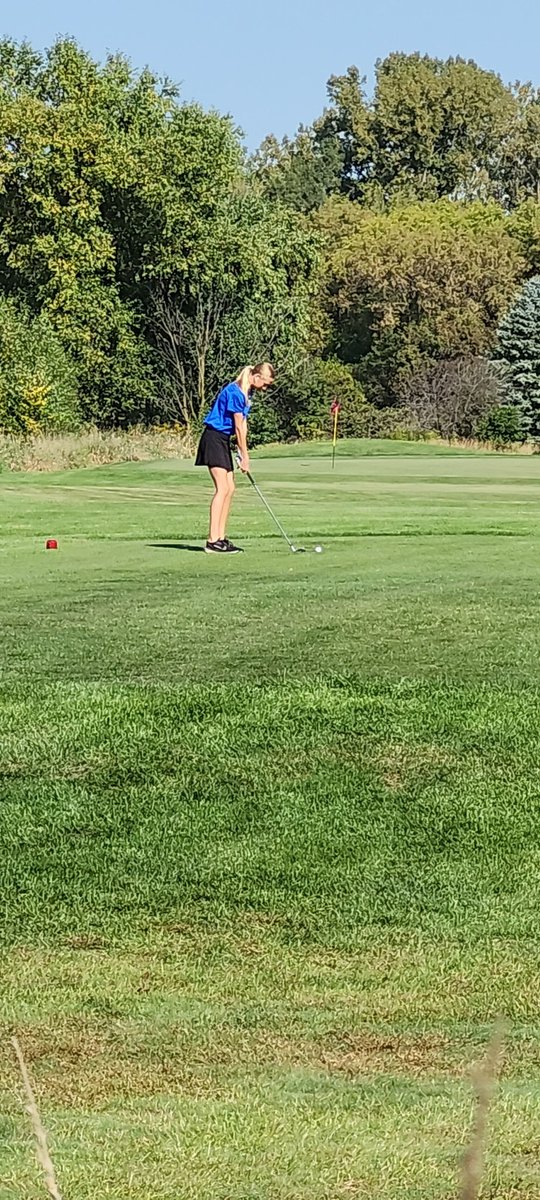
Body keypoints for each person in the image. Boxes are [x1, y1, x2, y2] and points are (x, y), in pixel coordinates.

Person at [195, 363, 275, 553]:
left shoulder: (247, 394)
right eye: (265, 383)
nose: (265, 388)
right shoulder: (235, 392)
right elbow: (238, 427)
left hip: (222, 440)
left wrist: (241, 452)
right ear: (256, 376)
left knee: (230, 488)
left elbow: (243, 426)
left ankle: (221, 538)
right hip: (213, 438)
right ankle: (212, 540)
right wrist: (245, 457)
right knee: (222, 488)